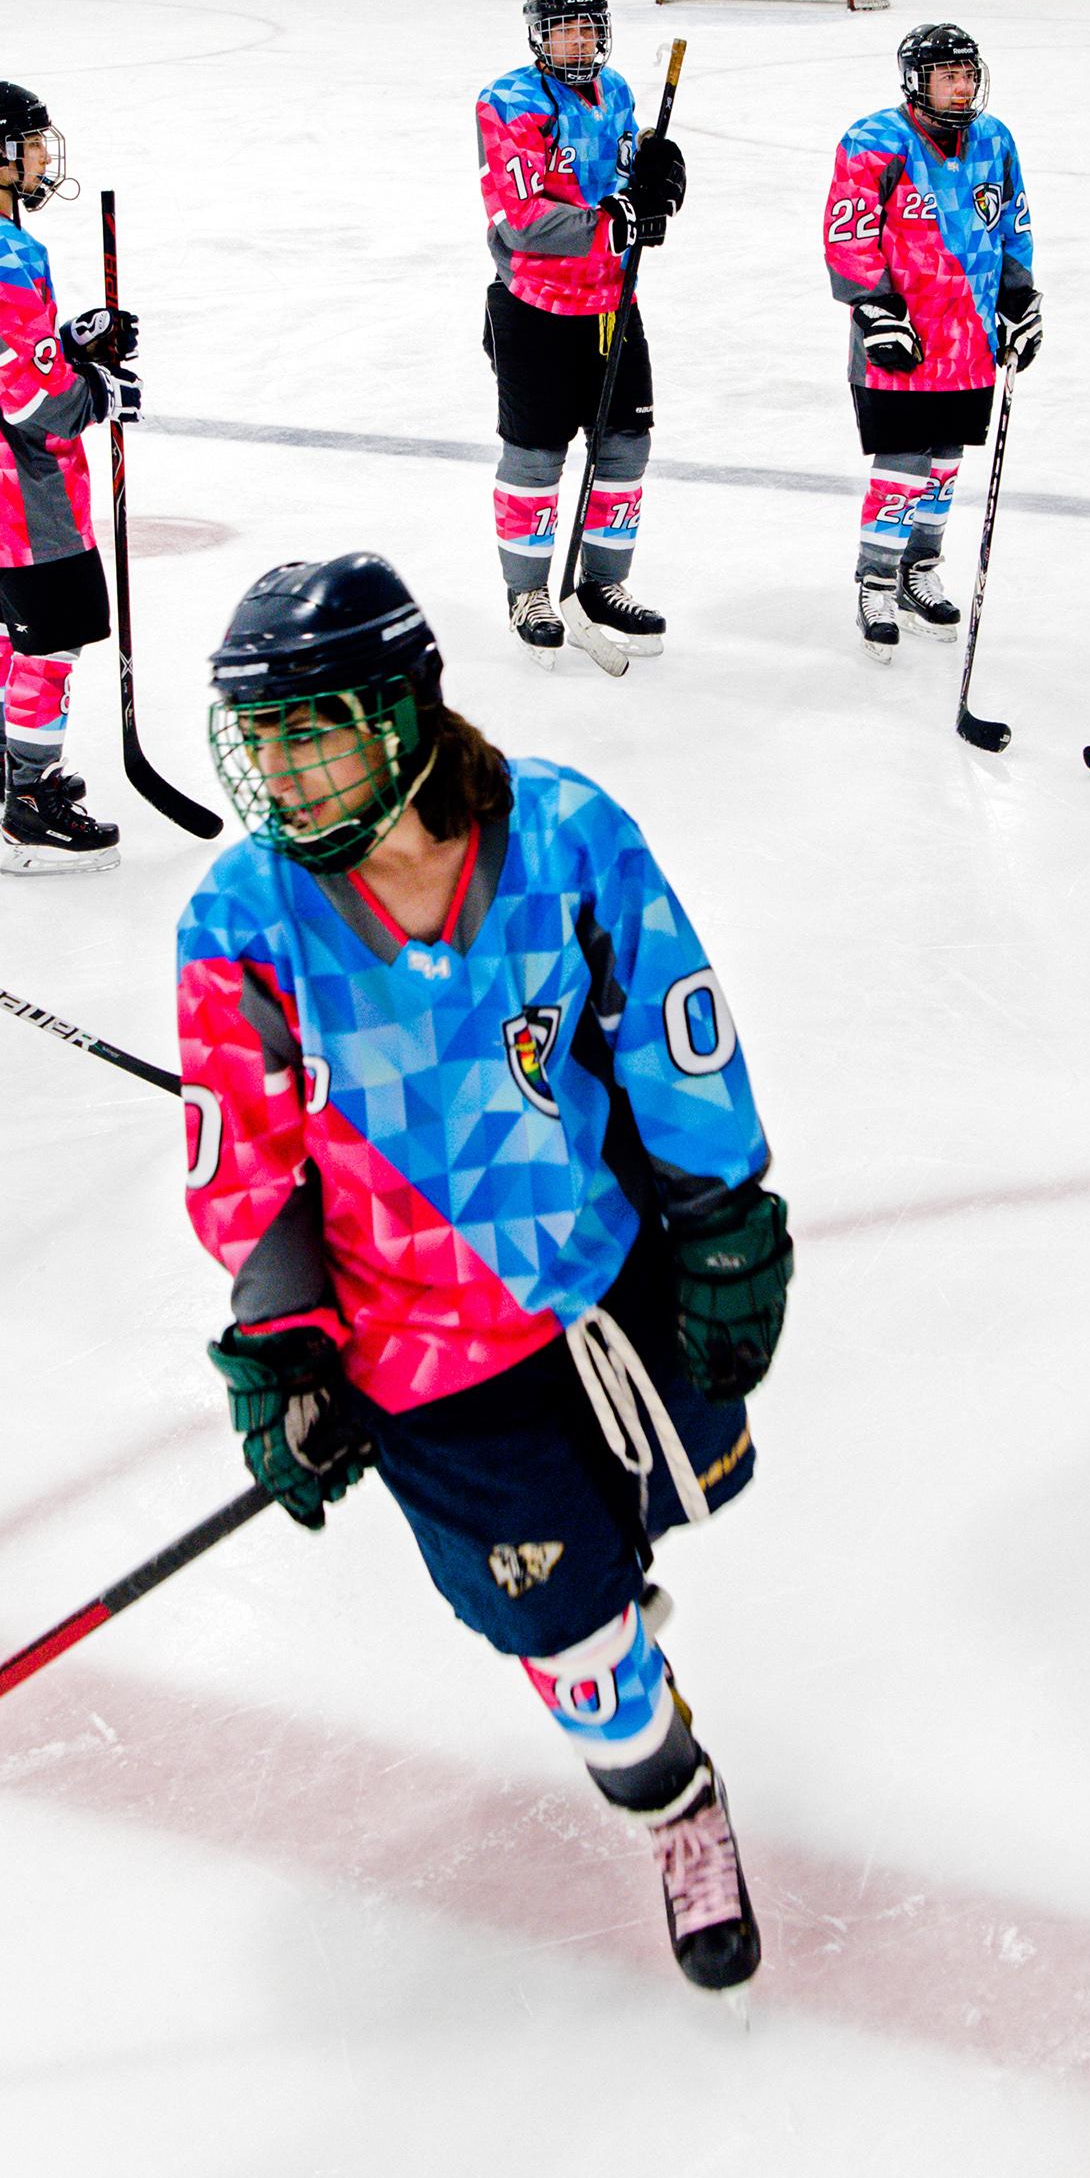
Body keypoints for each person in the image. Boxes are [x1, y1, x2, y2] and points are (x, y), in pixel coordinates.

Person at [175, 554, 789, 1991]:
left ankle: (611, 1600)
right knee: (577, 1645)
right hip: (424, 1362)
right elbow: (246, 1159)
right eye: (259, 740)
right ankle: (675, 1801)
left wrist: (719, 1214)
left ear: (401, 713)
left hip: (606, 1292)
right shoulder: (242, 917)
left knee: (652, 1534)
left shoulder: (566, 835)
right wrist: (285, 1340)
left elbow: (672, 1032)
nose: (280, 774)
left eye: (311, 729)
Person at [0, 78, 137, 871]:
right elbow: (39, 403)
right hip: (23, 487)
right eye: (34, 142)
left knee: (2, 625)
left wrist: (70, 342)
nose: (46, 155)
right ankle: (31, 804)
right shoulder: (10, 251)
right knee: (50, 643)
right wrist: (99, 391)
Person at [478, 0, 687, 673]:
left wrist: (658, 175)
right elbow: (522, 216)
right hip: (536, 307)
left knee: (626, 445)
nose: (579, 39)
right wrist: (613, 222)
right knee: (537, 454)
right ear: (539, 34)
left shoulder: (620, 90)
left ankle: (602, 583)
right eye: (564, 28)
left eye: (588, 27)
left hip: (611, 305)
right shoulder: (508, 101)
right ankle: (529, 593)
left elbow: (628, 179)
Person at [822, 20, 1040, 659]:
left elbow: (1014, 227)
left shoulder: (994, 139)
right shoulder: (873, 141)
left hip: (968, 337)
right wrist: (876, 308)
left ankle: (919, 570)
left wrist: (1018, 299)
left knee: (943, 465)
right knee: (903, 465)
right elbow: (849, 237)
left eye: (968, 74)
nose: (962, 86)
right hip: (902, 337)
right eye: (948, 75)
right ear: (917, 82)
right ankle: (876, 578)